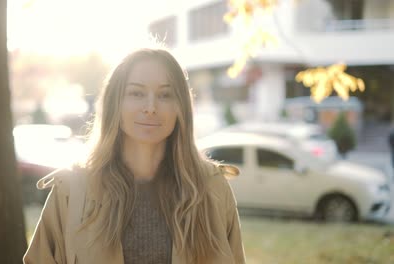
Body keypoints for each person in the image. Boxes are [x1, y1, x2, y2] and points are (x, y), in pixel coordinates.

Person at [23, 48, 246, 264]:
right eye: (136, 93)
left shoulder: (212, 188)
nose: (150, 107)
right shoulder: (71, 189)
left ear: (181, 108)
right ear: (115, 103)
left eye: (165, 95)